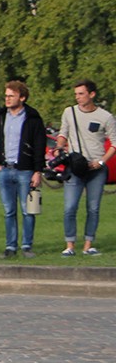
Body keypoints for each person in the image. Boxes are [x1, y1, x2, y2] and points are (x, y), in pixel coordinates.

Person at [0, 81, 45, 259]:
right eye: (6, 96)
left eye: (11, 96)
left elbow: (39, 145)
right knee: (9, 211)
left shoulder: (33, 118)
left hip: (25, 170)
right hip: (4, 169)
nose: (7, 99)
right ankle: (10, 246)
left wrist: (37, 171)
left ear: (22, 97)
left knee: (28, 209)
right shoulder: (0, 117)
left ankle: (27, 245)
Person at [57, 79, 114, 257]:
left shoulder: (105, 117)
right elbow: (62, 133)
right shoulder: (69, 112)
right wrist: (59, 148)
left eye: (81, 94)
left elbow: (114, 143)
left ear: (92, 94)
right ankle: (69, 244)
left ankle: (88, 244)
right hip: (75, 166)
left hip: (96, 168)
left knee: (93, 207)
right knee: (70, 207)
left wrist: (102, 161)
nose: (78, 97)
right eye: (76, 94)